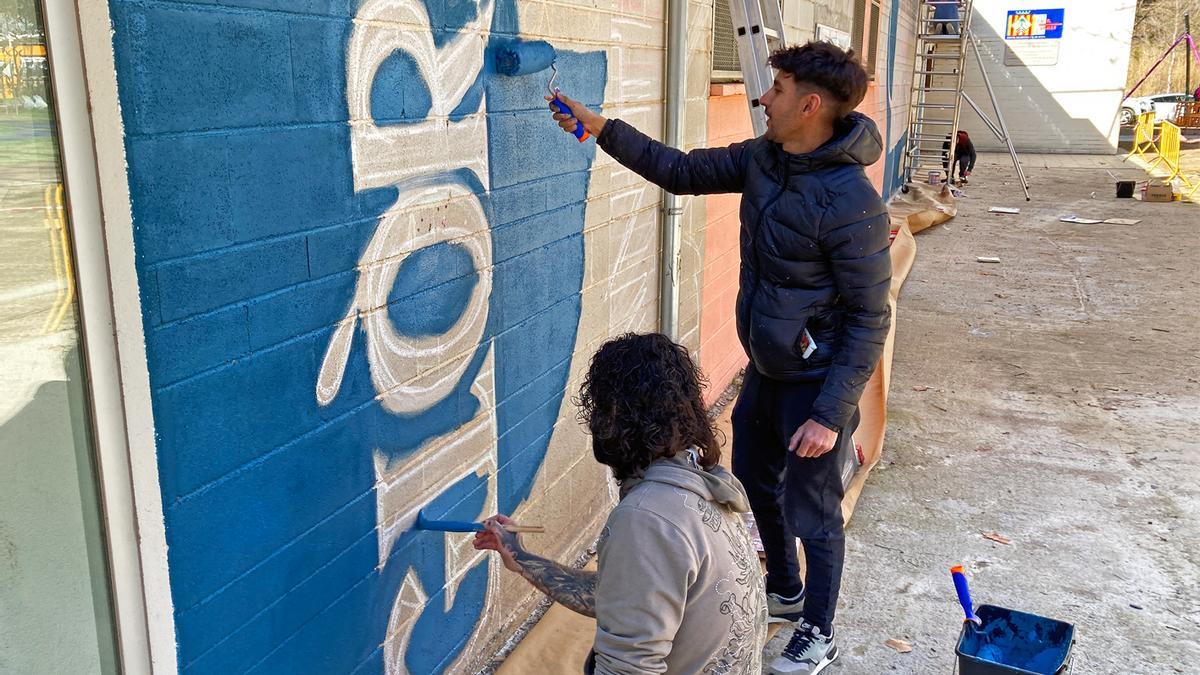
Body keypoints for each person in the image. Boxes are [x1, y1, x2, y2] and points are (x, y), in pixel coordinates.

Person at [547, 41, 891, 675]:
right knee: (758, 482)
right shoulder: (766, 160)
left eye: (778, 88)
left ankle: (818, 629)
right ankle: (784, 590)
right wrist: (601, 128)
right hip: (768, 367)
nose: (764, 97)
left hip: (816, 383)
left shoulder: (851, 202)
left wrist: (829, 413)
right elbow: (678, 170)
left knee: (812, 507)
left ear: (810, 105)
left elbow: (872, 317)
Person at [473, 333, 768, 674]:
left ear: (611, 418)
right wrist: (521, 558)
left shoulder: (646, 518)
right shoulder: (705, 483)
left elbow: (628, 668)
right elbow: (621, 595)